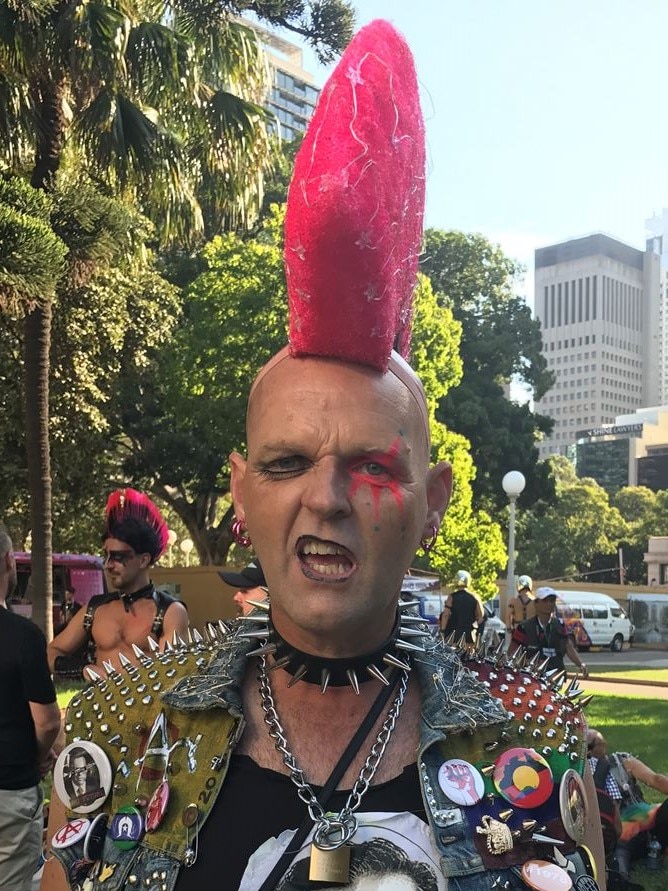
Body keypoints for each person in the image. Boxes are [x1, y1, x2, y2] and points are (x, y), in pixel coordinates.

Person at [46, 20, 604, 891]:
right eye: (285, 462)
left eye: (373, 467)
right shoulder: (125, 732)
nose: (326, 497)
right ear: (239, 490)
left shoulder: (527, 746)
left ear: (434, 501)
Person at [47, 488, 189, 675]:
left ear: (143, 560)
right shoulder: (94, 609)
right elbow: (50, 653)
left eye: (118, 557)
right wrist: (83, 669)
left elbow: (170, 674)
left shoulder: (170, 612)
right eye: (106, 556)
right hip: (100, 704)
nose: (108, 565)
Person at [0, 531, 61, 891]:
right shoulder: (22, 636)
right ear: (10, 562)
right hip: (10, 792)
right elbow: (48, 720)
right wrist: (37, 757)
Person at [587, 728, 668, 879]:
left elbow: (657, 780)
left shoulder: (578, 772)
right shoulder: (621, 762)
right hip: (631, 835)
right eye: (600, 742)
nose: (604, 744)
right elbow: (655, 780)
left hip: (612, 838)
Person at [510, 585, 589, 677]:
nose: (549, 604)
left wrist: (580, 664)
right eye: (545, 600)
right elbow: (511, 654)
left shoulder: (560, 625)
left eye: (552, 601)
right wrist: (528, 662)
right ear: (536, 603)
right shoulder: (524, 627)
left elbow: (568, 647)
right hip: (531, 676)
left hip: (555, 676)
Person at [439, 570, 484, 644]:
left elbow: (445, 615)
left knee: (453, 654)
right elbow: (480, 616)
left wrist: (442, 631)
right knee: (469, 654)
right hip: (470, 633)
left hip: (454, 633)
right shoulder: (475, 597)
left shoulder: (452, 597)